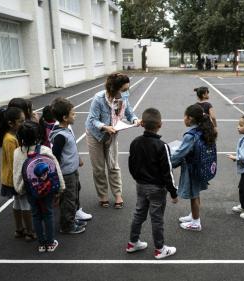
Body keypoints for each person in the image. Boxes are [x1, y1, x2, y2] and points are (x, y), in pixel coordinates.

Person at [127, 108, 178, 259]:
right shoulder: (162, 146)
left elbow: (131, 164)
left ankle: (132, 242)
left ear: (142, 123)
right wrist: (173, 192)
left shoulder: (135, 142)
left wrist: (138, 178)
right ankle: (160, 249)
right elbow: (167, 172)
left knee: (139, 213)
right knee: (157, 219)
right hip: (157, 189)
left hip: (141, 185)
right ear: (160, 124)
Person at [85, 73, 140, 209]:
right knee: (98, 168)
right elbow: (92, 119)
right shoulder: (98, 98)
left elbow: (129, 112)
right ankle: (103, 195)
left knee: (113, 166)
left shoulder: (124, 97)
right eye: (123, 89)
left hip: (112, 134)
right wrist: (104, 127)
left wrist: (135, 120)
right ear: (113, 88)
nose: (126, 92)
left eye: (127, 89)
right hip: (95, 134)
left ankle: (117, 195)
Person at [13, 121, 65, 252]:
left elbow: (17, 171)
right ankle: (51, 242)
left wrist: (19, 188)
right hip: (47, 188)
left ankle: (41, 244)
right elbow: (56, 168)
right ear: (38, 135)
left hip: (31, 190)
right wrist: (60, 187)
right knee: (48, 213)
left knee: (35, 214)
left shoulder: (17, 152)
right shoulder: (45, 150)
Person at [171, 104, 217, 231]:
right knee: (195, 193)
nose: (183, 119)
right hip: (201, 166)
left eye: (184, 116)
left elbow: (180, 153)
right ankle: (193, 215)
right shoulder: (204, 129)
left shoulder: (190, 135)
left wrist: (167, 161)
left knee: (194, 195)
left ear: (190, 118)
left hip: (193, 169)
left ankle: (196, 222)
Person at [0, 106, 36, 240]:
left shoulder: (10, 136)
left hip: (11, 178)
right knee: (25, 204)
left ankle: (19, 229)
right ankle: (29, 231)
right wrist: (23, 179)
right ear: (11, 123)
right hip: (15, 178)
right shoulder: (10, 140)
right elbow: (15, 163)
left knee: (17, 203)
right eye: (21, 121)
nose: (24, 124)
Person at [50, 97, 87, 234]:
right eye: (73, 114)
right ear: (65, 117)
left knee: (75, 194)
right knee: (68, 199)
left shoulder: (66, 130)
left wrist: (78, 159)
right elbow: (55, 156)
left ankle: (71, 219)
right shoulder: (60, 135)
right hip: (66, 173)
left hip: (73, 170)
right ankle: (67, 226)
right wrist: (57, 175)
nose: (75, 115)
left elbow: (70, 149)